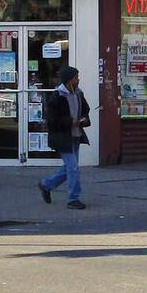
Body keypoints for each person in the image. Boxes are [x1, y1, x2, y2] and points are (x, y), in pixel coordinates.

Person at [38, 65, 90, 210]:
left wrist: (84, 119)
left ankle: (46, 185)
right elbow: (52, 120)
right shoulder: (57, 96)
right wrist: (70, 122)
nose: (78, 80)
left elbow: (86, 109)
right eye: (76, 77)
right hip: (62, 137)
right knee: (73, 167)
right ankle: (73, 199)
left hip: (75, 135)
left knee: (70, 167)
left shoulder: (79, 93)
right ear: (68, 80)